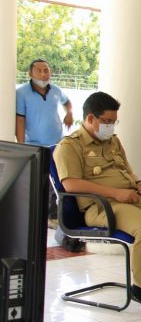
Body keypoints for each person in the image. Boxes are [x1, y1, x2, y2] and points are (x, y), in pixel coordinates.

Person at [53, 92, 141, 310]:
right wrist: (115, 193)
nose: (111, 126)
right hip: (102, 206)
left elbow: (126, 170)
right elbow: (71, 185)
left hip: (133, 197)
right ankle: (140, 288)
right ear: (91, 118)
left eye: (114, 121)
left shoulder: (112, 141)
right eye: (107, 122)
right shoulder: (70, 146)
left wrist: (139, 182)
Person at [16, 58, 82, 250]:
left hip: (57, 144)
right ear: (30, 74)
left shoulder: (56, 90)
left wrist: (69, 113)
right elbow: (19, 120)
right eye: (39, 71)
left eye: (47, 70)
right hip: (33, 145)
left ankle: (53, 217)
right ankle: (36, 217)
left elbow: (67, 103)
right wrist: (21, 146)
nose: (44, 74)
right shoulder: (21, 93)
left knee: (57, 181)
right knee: (37, 182)